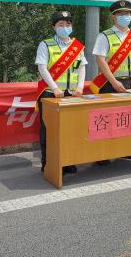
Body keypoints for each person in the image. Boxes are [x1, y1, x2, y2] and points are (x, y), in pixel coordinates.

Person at [91, 0, 131, 163]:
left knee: (129, 118)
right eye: (121, 14)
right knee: (107, 119)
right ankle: (102, 154)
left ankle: (127, 150)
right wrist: (114, 82)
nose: (125, 16)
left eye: (127, 13)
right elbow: (100, 60)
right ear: (113, 17)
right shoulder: (105, 36)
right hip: (111, 83)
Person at [35, 11, 87, 174]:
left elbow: (82, 67)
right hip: (51, 94)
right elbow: (42, 68)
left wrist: (80, 87)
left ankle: (68, 162)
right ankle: (48, 163)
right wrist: (55, 88)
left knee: (70, 129)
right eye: (61, 25)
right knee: (49, 131)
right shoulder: (46, 45)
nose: (65, 27)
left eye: (68, 24)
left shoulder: (77, 46)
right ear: (54, 27)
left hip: (72, 94)